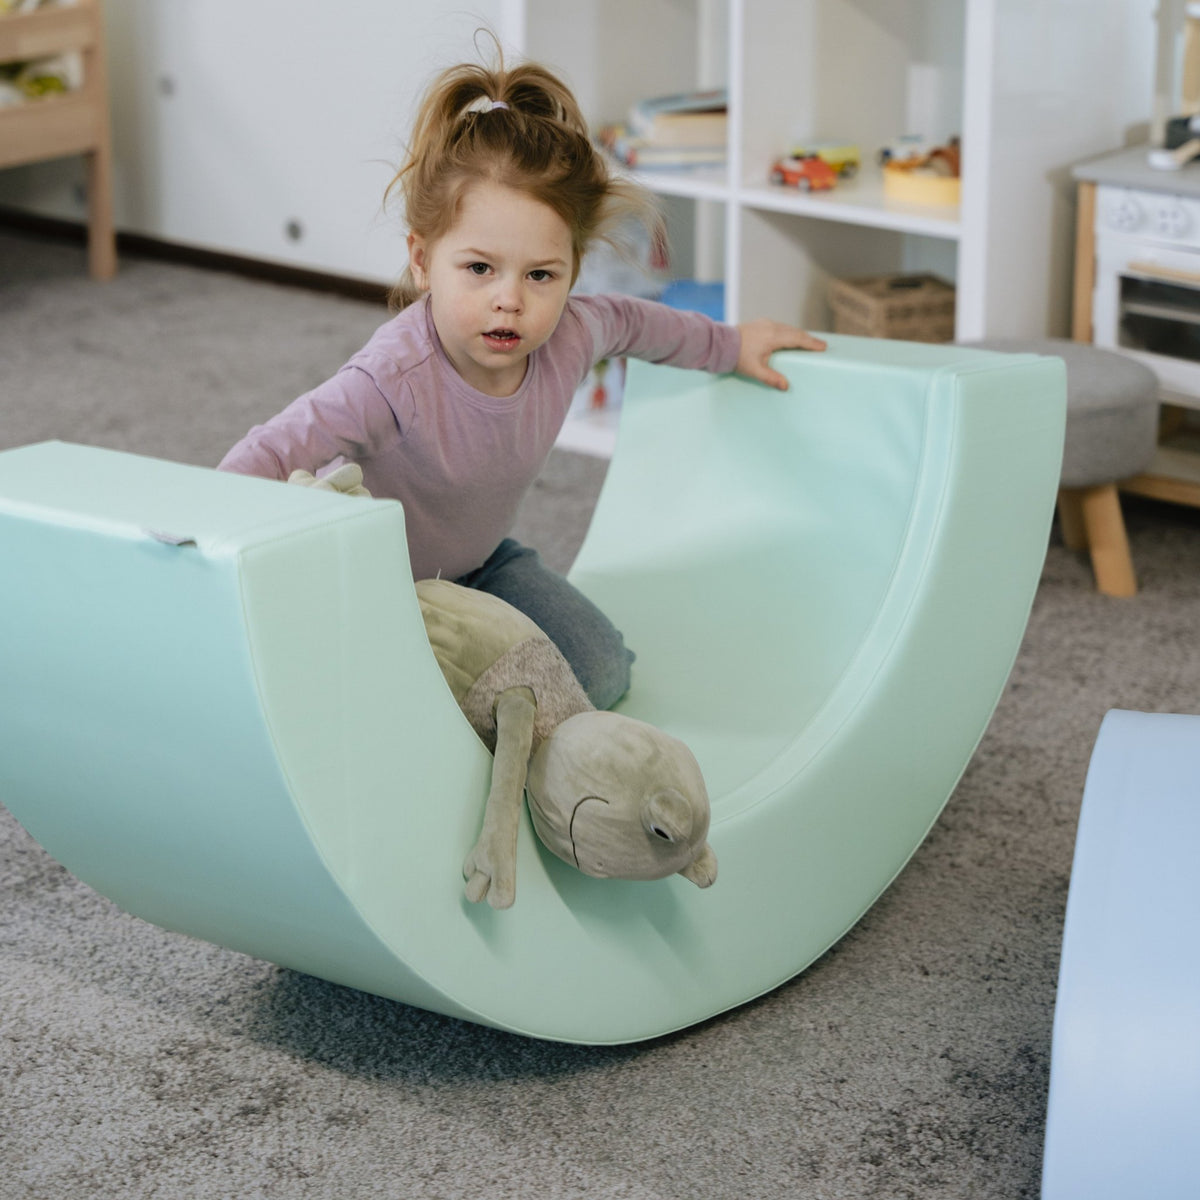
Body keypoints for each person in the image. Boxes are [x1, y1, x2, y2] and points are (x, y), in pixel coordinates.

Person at [219, 54, 825, 711]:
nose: (510, 299)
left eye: (541, 275)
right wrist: (200, 536)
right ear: (423, 261)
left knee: (601, 675)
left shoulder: (573, 331)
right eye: (479, 268)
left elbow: (640, 323)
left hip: (481, 565)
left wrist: (732, 345)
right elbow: (272, 450)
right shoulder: (392, 378)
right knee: (377, 706)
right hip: (377, 591)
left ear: (572, 269)